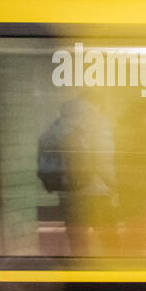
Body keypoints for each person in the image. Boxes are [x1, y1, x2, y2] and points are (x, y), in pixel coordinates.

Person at [40, 91, 116, 255]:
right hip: (96, 192)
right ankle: (109, 274)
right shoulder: (98, 122)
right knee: (109, 238)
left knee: (78, 240)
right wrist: (113, 184)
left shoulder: (57, 124)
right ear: (97, 103)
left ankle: (81, 272)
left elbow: (46, 151)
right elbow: (103, 158)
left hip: (68, 192)